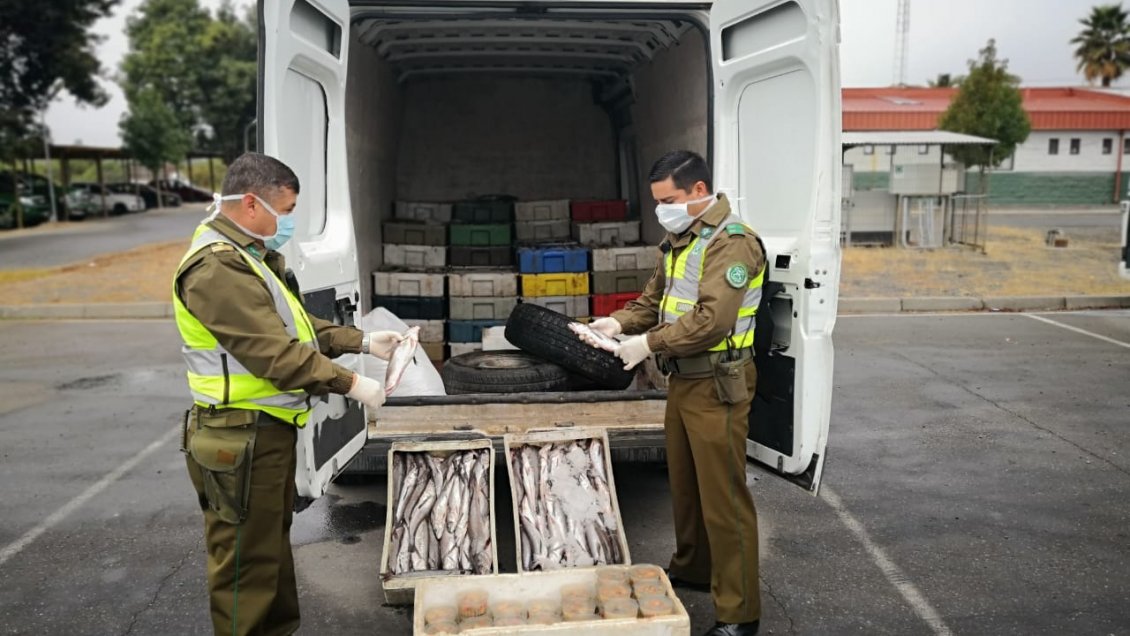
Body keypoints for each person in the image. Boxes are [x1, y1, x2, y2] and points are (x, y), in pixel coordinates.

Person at [173, 152, 397, 635]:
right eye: (287, 209)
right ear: (252, 204)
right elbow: (275, 355)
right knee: (246, 571)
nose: (288, 222)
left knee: (270, 556)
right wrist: (353, 384)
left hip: (260, 436)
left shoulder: (246, 257)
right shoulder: (217, 270)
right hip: (237, 439)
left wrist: (360, 341)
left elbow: (294, 324)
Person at [579, 150, 766, 636]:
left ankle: (739, 615)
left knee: (724, 499)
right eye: (658, 201)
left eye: (669, 200)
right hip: (683, 379)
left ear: (699, 192)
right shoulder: (685, 238)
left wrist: (645, 344)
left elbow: (711, 321)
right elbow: (654, 300)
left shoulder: (734, 244)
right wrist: (617, 323)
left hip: (718, 383)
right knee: (686, 487)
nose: (662, 209)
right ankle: (695, 570)